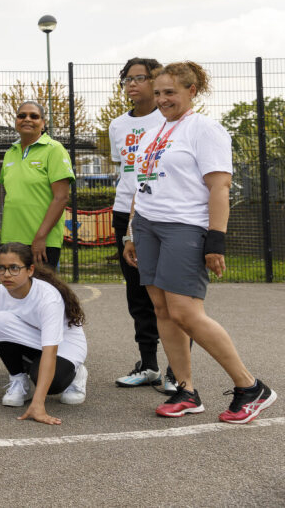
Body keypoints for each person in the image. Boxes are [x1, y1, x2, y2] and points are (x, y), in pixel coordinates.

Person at [124, 62, 276, 424]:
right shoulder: (153, 131)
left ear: (192, 91)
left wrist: (215, 241)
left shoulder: (204, 129)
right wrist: (131, 231)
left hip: (184, 227)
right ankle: (186, 391)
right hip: (148, 225)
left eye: (170, 92)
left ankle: (251, 386)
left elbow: (219, 186)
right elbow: (141, 186)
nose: (162, 99)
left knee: (186, 312)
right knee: (161, 309)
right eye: (158, 92)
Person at [0, 243, 88, 425]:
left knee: (52, 384)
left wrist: (38, 405)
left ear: (30, 270)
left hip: (65, 345)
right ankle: (19, 380)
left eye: (14, 268)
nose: (7, 274)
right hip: (34, 339)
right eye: (1, 268)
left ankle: (76, 372)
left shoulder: (48, 297)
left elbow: (50, 351)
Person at [107, 57, 173, 391]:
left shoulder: (170, 120)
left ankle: (177, 369)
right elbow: (124, 172)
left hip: (162, 211)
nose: (132, 84)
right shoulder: (118, 125)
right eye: (127, 80)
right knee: (138, 292)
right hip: (125, 213)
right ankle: (148, 364)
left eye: (140, 78)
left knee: (171, 295)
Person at [0, 100, 74, 270]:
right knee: (14, 293)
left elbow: (61, 198)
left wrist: (41, 237)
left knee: (41, 293)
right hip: (10, 240)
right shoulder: (10, 153)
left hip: (41, 242)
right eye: (21, 116)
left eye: (34, 116)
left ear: (43, 123)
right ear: (16, 121)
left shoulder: (54, 149)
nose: (27, 119)